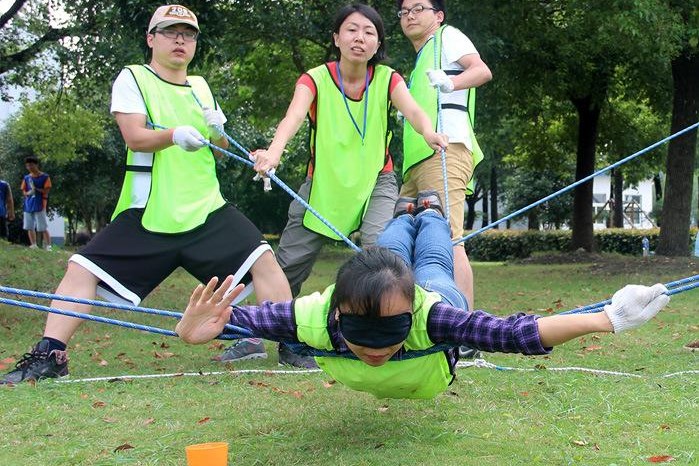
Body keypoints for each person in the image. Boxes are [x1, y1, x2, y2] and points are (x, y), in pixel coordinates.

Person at [0, 4, 293, 385]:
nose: (180, 41)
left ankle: (294, 343)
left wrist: (229, 138)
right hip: (149, 211)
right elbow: (135, 136)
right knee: (81, 269)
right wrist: (173, 135)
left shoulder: (201, 87)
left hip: (206, 209)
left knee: (263, 258)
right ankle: (50, 355)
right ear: (151, 39)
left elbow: (218, 145)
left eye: (188, 34)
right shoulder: (133, 78)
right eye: (170, 32)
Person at [176, 192, 670, 399]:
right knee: (386, 249)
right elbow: (234, 322)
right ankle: (405, 213)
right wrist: (191, 331)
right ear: (336, 313)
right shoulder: (311, 316)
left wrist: (608, 319)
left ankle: (429, 213)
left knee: (433, 256)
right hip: (379, 280)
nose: (373, 352)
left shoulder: (436, 317)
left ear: (409, 315)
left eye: (386, 335)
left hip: (431, 290)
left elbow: (514, 333)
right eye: (360, 336)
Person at [217, 3, 449, 365]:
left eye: (369, 32)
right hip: (322, 184)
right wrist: (273, 153)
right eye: (352, 30)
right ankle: (260, 336)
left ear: (377, 44)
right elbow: (292, 117)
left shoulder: (388, 78)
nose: (360, 38)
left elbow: (415, 110)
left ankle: (389, 334)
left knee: (382, 252)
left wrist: (430, 132)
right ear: (336, 38)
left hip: (377, 181)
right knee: (290, 264)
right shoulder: (314, 78)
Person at [396, 0, 492, 312]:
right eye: (404, 11)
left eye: (418, 8)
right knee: (407, 237)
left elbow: (481, 70)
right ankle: (423, 317)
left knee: (449, 239)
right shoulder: (421, 58)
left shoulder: (448, 36)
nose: (410, 15)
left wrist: (451, 82)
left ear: (438, 16)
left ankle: (464, 327)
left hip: (445, 151)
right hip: (418, 161)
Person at [21, 156, 52, 250]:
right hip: (28, 204)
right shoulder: (26, 178)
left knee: (42, 226)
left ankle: (48, 246)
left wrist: (36, 189)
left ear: (36, 165)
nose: (29, 167)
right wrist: (28, 193)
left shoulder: (45, 177)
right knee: (29, 226)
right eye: (27, 166)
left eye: (31, 165)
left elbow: (47, 190)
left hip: (40, 204)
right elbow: (24, 190)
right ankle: (33, 244)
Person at [0, 170, 15, 240]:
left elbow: (9, 200)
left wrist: (11, 212)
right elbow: (9, 200)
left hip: (1, 213)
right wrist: (11, 213)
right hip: (1, 213)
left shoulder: (5, 185)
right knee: (3, 237)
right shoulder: (5, 184)